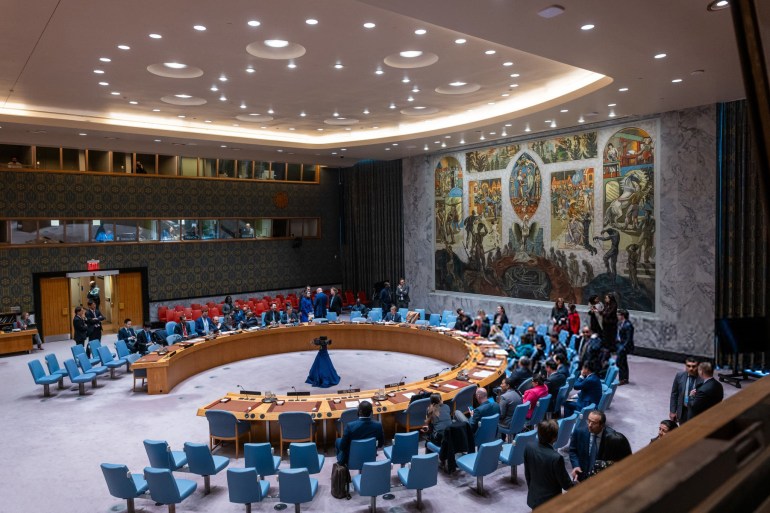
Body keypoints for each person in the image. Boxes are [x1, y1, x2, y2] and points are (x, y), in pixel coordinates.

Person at [524, 420, 574, 509]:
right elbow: (566, 485)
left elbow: (527, 475)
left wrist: (533, 491)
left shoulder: (529, 447)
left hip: (534, 498)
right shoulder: (556, 458)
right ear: (555, 437)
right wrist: (577, 483)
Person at [569, 410, 617, 482]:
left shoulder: (611, 436)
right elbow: (573, 451)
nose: (589, 425)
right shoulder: (579, 432)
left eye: (594, 423)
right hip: (582, 473)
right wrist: (576, 465)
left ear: (602, 425)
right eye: (588, 421)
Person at [336, 401, 384, 466]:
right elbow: (380, 444)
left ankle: (342, 464)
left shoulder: (350, 426)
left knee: (338, 441)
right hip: (370, 454)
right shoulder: (378, 425)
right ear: (371, 412)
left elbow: (342, 447)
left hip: (353, 455)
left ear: (360, 412)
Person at [670, 356, 702, 424]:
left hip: (696, 411)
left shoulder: (703, 378)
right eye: (688, 366)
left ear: (698, 366)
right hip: (683, 410)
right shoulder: (679, 375)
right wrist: (672, 411)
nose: (691, 369)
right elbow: (674, 394)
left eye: (694, 366)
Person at [616, 309, 634, 385]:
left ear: (622, 316)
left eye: (618, 315)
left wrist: (623, 347)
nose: (617, 316)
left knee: (619, 362)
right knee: (623, 362)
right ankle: (624, 378)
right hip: (620, 345)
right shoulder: (621, 323)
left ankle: (622, 378)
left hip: (624, 346)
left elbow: (629, 338)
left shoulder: (628, 325)